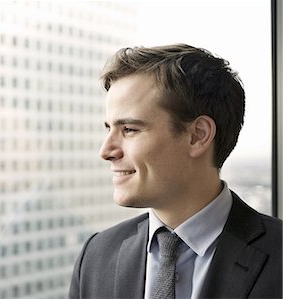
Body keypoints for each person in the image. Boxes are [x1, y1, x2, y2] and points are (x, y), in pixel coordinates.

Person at [69, 44, 282, 299]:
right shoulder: (96, 256)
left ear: (197, 136)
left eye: (129, 129)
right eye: (109, 129)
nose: (106, 151)